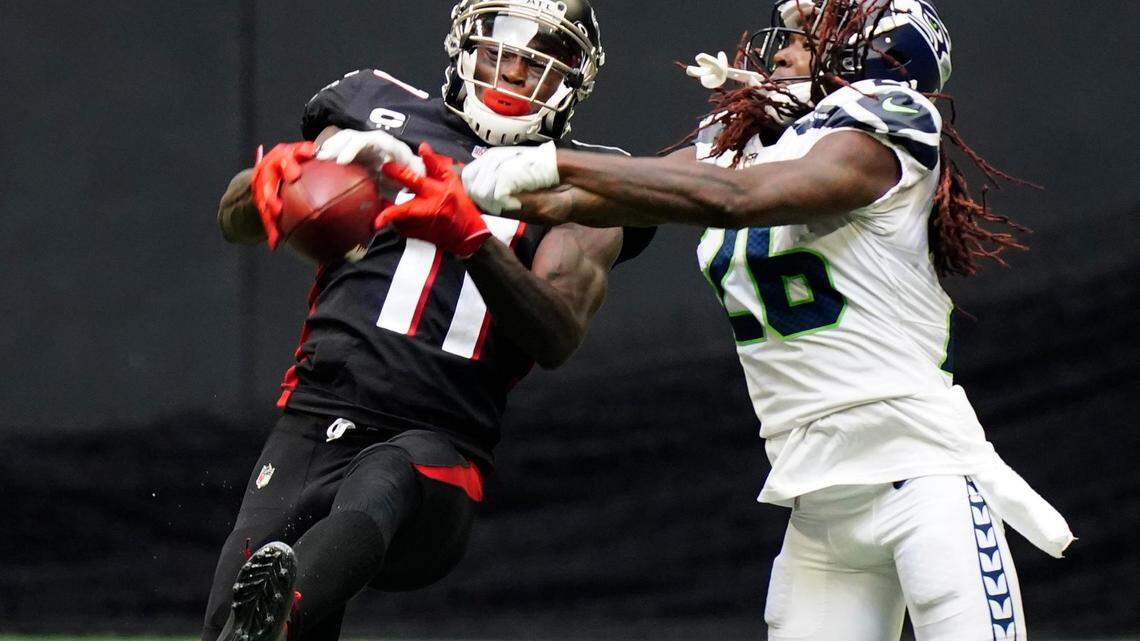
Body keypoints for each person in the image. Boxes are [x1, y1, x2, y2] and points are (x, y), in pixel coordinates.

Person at [388, 1, 1074, 639]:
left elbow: (734, 200)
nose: (788, 38)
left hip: (924, 482)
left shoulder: (887, 121)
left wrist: (549, 160)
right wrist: (427, 173)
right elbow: (599, 197)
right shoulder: (756, 141)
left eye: (817, 31)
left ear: (875, 58)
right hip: (819, 503)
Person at [205, 1, 653, 639]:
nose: (516, 74)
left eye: (538, 62)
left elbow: (555, 335)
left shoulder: (580, 179)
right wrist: (269, 180)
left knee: (385, 477)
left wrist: (472, 238)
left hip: (440, 450)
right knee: (227, 618)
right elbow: (235, 220)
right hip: (314, 417)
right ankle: (272, 618)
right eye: (501, 52)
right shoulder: (375, 110)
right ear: (465, 47)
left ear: (572, 82)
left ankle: (282, 611)